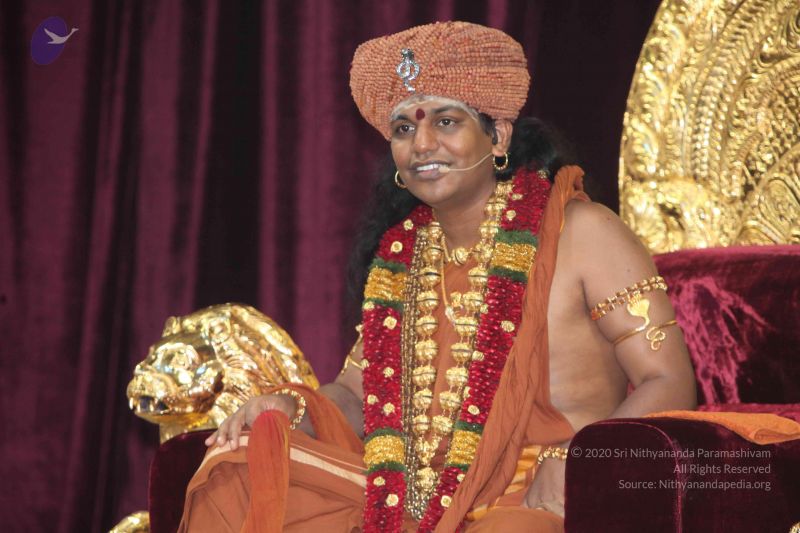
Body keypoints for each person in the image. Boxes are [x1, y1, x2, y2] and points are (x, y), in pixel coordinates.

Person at [178, 21, 697, 532]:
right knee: (235, 471)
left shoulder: (582, 232)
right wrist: (289, 407)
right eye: (404, 128)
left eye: (446, 122)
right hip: (411, 502)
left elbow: (668, 380)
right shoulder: (402, 258)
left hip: (535, 495)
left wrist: (582, 458)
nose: (422, 144)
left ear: (498, 137)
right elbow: (357, 397)